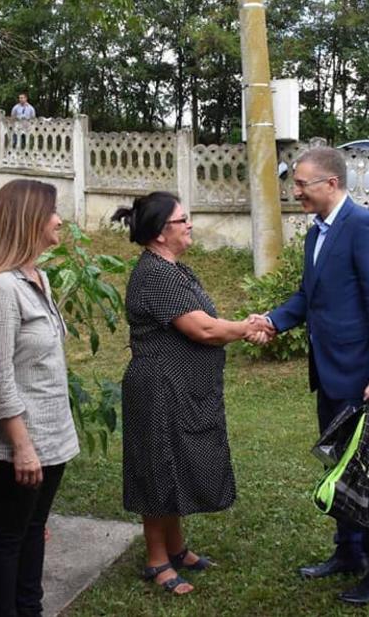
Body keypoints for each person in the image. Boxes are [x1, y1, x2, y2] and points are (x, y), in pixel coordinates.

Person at [254, 146, 369, 605]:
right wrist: (273, 320)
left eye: (302, 184)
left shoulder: (365, 228)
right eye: (295, 183)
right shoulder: (316, 233)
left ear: (331, 184)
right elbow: (310, 296)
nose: (295, 190)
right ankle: (349, 552)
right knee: (341, 469)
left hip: (365, 377)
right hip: (330, 373)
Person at [112, 192, 270, 596]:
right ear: (162, 233)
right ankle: (155, 559)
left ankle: (177, 549)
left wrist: (237, 326)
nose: (189, 225)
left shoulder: (176, 270)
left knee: (176, 462)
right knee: (157, 466)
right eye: (183, 220)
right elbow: (202, 328)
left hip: (182, 386)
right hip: (159, 385)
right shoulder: (154, 275)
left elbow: (210, 324)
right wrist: (248, 325)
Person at [0, 179, 79, 616]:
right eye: (52, 212)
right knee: (7, 538)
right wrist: (21, 445)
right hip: (21, 444)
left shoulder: (37, 278)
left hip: (50, 438)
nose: (59, 220)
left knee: (33, 530)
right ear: (29, 220)